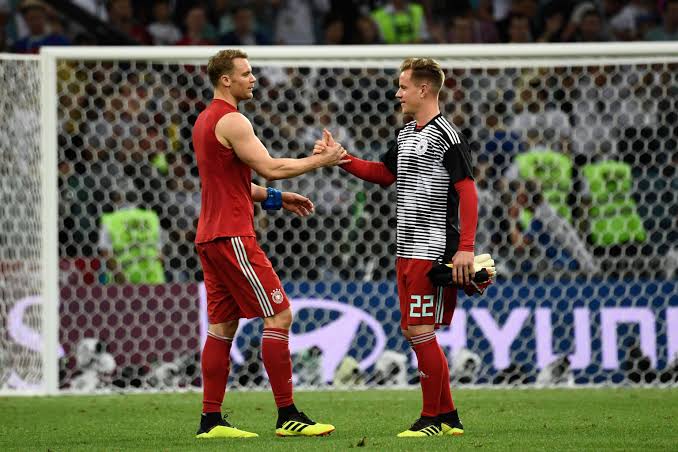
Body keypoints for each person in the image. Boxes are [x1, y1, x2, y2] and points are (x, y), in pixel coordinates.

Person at [315, 58, 478, 438]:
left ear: (424, 89)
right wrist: (342, 158)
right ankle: (448, 417)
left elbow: (468, 192)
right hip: (406, 248)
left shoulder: (448, 136)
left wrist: (466, 248)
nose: (397, 93)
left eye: (403, 87)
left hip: (432, 248)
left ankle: (431, 419)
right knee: (414, 330)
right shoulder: (406, 134)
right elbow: (384, 174)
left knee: (420, 330)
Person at [191, 49, 347, 439]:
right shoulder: (233, 120)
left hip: (210, 236)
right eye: (246, 73)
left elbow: (232, 183)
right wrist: (321, 161)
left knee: (222, 327)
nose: (253, 79)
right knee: (279, 315)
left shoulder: (205, 120)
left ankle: (211, 421)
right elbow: (270, 167)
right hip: (233, 236)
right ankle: (288, 415)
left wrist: (276, 198)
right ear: (226, 80)